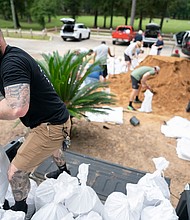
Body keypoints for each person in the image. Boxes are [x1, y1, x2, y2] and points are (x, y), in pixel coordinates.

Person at [0, 29, 71, 213]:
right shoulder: (11, 55)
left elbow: (17, 108)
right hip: (57, 120)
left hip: (51, 127)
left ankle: (20, 210)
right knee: (52, 144)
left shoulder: (11, 64)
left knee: (15, 173)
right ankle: (64, 172)